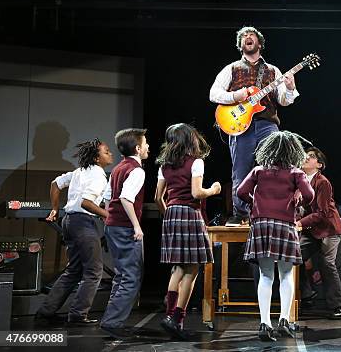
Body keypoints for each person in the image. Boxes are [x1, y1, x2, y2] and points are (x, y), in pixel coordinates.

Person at [209, 26, 299, 227]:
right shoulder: (231, 68)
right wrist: (236, 96)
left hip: (268, 124)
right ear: (240, 45)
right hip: (241, 125)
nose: (248, 38)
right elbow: (213, 93)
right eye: (244, 37)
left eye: (252, 36)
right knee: (240, 170)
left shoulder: (273, 70)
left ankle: (271, 211)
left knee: (274, 167)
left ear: (259, 43)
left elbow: (284, 100)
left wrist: (291, 87)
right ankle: (240, 214)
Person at [237, 131, 314, 342]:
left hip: (261, 224)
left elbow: (240, 192)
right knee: (286, 275)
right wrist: (297, 200)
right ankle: (283, 320)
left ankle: (264, 323)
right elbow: (309, 196)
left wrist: (255, 202)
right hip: (285, 225)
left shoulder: (258, 171)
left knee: (266, 275)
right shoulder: (296, 173)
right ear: (293, 151)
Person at [154, 123, 222, 340]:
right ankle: (177, 318)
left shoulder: (164, 165)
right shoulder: (196, 162)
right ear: (189, 139)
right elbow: (196, 192)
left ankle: (169, 316)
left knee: (177, 268)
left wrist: (169, 214)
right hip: (189, 213)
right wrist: (213, 190)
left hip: (172, 213)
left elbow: (157, 198)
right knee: (191, 269)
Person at [36, 139, 113, 325]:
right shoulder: (98, 175)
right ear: (96, 158)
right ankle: (78, 315)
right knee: (94, 271)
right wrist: (108, 215)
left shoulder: (80, 172)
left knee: (74, 270)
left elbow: (55, 184)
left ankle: (46, 311)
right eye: (107, 151)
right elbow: (86, 203)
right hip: (83, 223)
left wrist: (55, 208)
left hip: (69, 221)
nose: (110, 154)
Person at [99, 128, 149, 339]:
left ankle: (112, 320)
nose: (148, 147)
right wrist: (137, 227)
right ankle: (113, 322)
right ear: (137, 148)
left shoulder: (119, 168)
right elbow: (126, 199)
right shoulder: (136, 170)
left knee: (122, 275)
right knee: (131, 276)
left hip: (114, 226)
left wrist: (109, 220)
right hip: (125, 227)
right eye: (145, 143)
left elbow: (107, 197)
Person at [296, 147, 341, 320]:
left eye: (310, 157)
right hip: (311, 230)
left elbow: (322, 213)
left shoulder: (322, 182)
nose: (305, 158)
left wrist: (300, 223)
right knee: (295, 255)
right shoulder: (300, 180)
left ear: (319, 164)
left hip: (328, 229)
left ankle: (338, 305)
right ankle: (307, 293)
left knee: (327, 263)